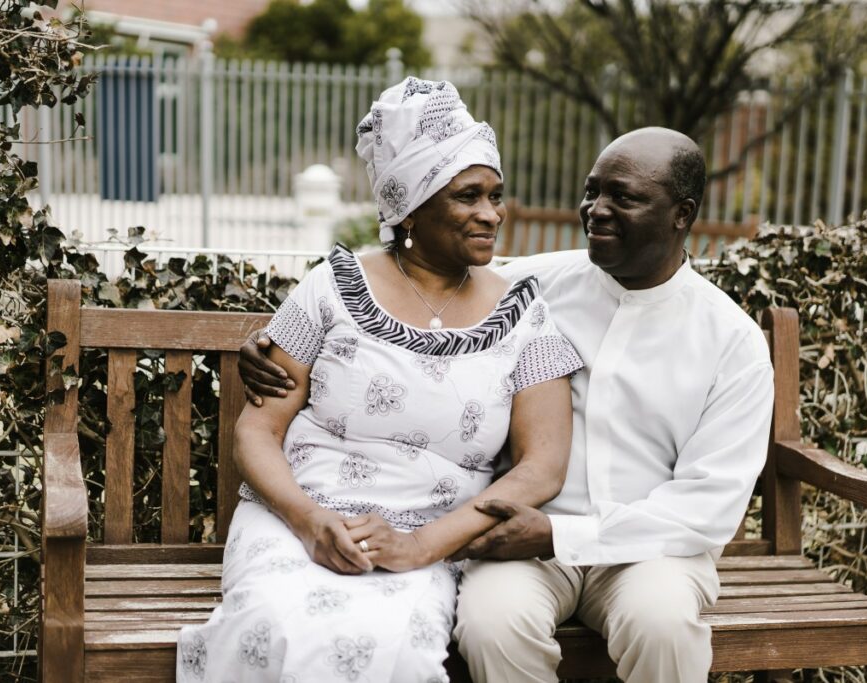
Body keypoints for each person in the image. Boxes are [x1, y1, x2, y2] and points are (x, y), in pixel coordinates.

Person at [240, 127, 774, 682]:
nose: (596, 210)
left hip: (650, 552)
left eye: (624, 198)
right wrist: (262, 339)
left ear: (681, 214)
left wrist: (561, 536)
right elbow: (414, 291)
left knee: (661, 624)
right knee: (493, 623)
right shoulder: (536, 284)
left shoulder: (731, 343)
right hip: (521, 542)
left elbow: (708, 506)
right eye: (592, 191)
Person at [177, 77, 583, 683]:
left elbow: (542, 467)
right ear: (412, 207)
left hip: (430, 533)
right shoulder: (331, 287)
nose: (491, 213)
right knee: (274, 622)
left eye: (496, 195)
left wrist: (423, 546)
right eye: (468, 196)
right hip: (297, 517)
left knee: (396, 647)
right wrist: (309, 521)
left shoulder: (523, 313)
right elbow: (257, 431)